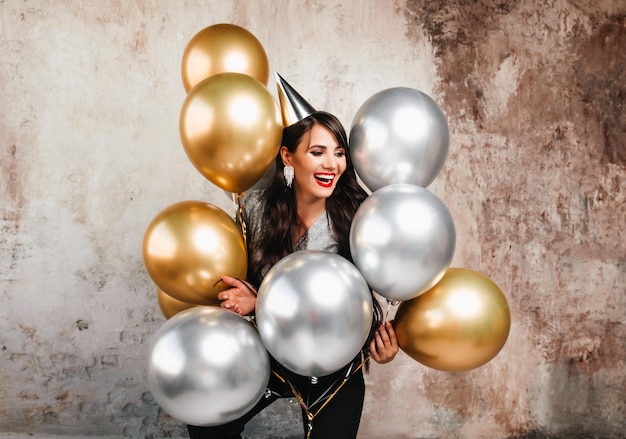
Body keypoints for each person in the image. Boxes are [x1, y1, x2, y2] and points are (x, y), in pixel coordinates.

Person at [187, 111, 398, 439]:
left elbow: (355, 309)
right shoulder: (257, 210)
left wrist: (382, 344)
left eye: (339, 153)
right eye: (318, 152)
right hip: (270, 357)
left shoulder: (359, 218)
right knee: (207, 417)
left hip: (333, 367)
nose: (332, 164)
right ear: (288, 156)